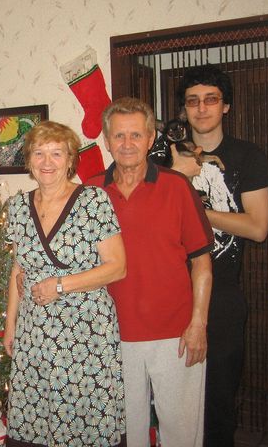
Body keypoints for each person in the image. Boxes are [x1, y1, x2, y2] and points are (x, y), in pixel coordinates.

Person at [87, 97, 213, 447]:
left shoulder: (177, 186)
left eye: (136, 135)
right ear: (107, 140)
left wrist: (198, 324)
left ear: (150, 139)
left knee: (182, 434)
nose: (127, 144)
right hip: (110, 335)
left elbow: (202, 263)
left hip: (175, 333)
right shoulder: (90, 192)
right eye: (119, 136)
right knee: (126, 435)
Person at [3, 120, 127, 447]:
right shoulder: (17, 207)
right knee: (38, 418)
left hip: (85, 332)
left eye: (57, 153)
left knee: (82, 418)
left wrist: (60, 285)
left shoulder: (93, 200)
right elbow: (18, 266)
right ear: (29, 160)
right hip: (34, 332)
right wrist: (10, 323)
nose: (47, 162)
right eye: (39, 153)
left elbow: (117, 267)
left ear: (70, 160)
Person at [171, 64, 268, 447]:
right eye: (193, 101)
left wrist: (200, 211)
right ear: (184, 109)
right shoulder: (167, 158)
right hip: (171, 294)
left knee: (217, 405)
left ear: (225, 105)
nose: (201, 108)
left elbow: (258, 227)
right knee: (173, 405)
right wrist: (176, 177)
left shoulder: (248, 156)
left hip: (223, 297)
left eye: (211, 99)